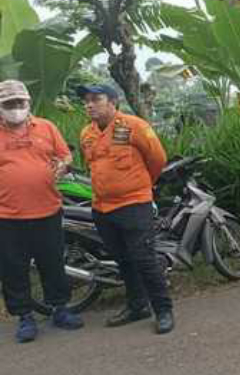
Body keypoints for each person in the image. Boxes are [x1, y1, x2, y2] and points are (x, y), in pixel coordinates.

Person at [78, 84, 174, 335]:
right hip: (102, 208)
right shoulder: (86, 134)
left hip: (133, 205)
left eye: (96, 99)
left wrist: (140, 186)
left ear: (113, 102)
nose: (89, 105)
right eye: (86, 101)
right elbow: (91, 165)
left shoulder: (135, 126)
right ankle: (137, 306)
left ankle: (163, 310)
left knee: (144, 259)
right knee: (123, 260)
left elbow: (158, 159)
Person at [0, 79, 84, 343]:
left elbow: (66, 156)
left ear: (28, 103)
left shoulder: (46, 127)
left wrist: (65, 165)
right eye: (9, 104)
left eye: (19, 103)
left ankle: (60, 309)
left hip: (47, 209)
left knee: (53, 263)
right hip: (7, 215)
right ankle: (25, 317)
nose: (15, 108)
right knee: (13, 268)